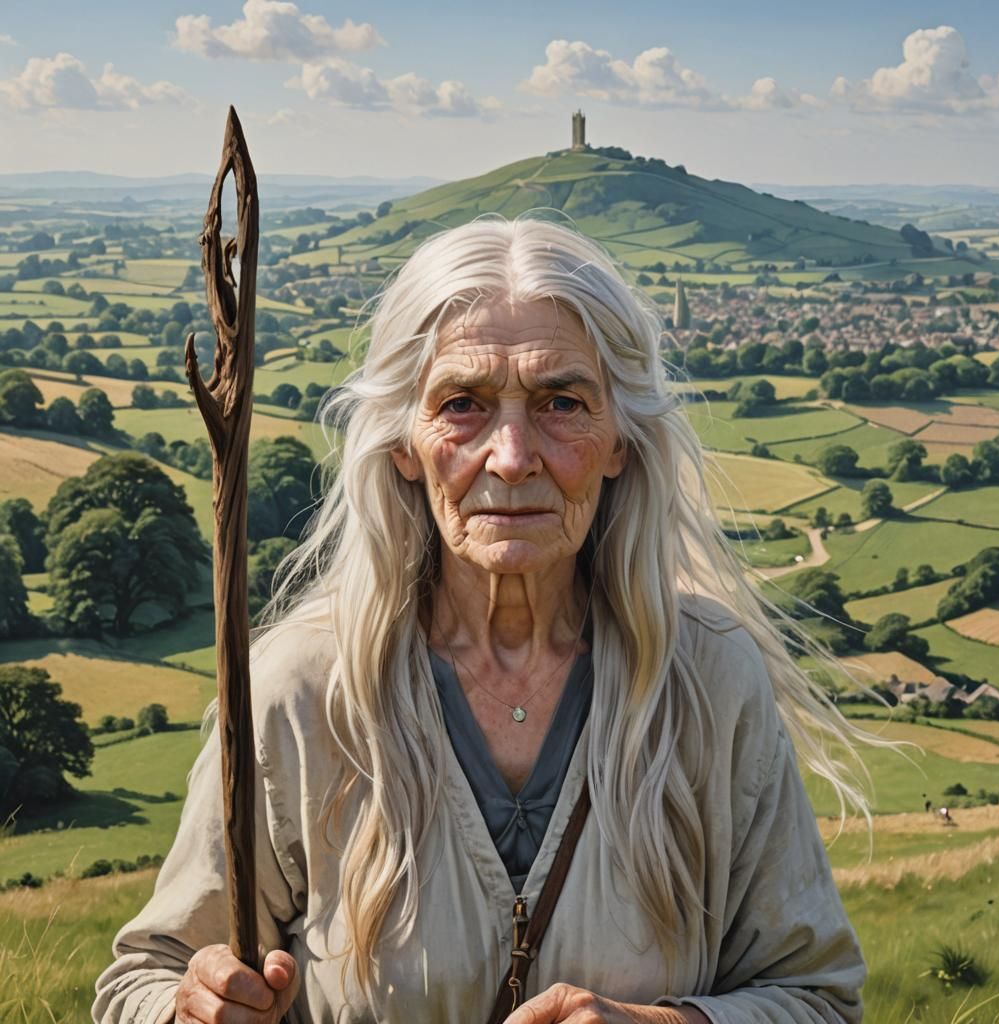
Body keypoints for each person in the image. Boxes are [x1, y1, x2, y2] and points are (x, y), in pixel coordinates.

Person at [93, 215, 870, 1024]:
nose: (509, 455)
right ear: (403, 442)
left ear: (619, 442)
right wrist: (188, 1011)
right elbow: (144, 978)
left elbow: (817, 998)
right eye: (461, 404)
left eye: (561, 402)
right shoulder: (302, 693)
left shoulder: (708, 680)